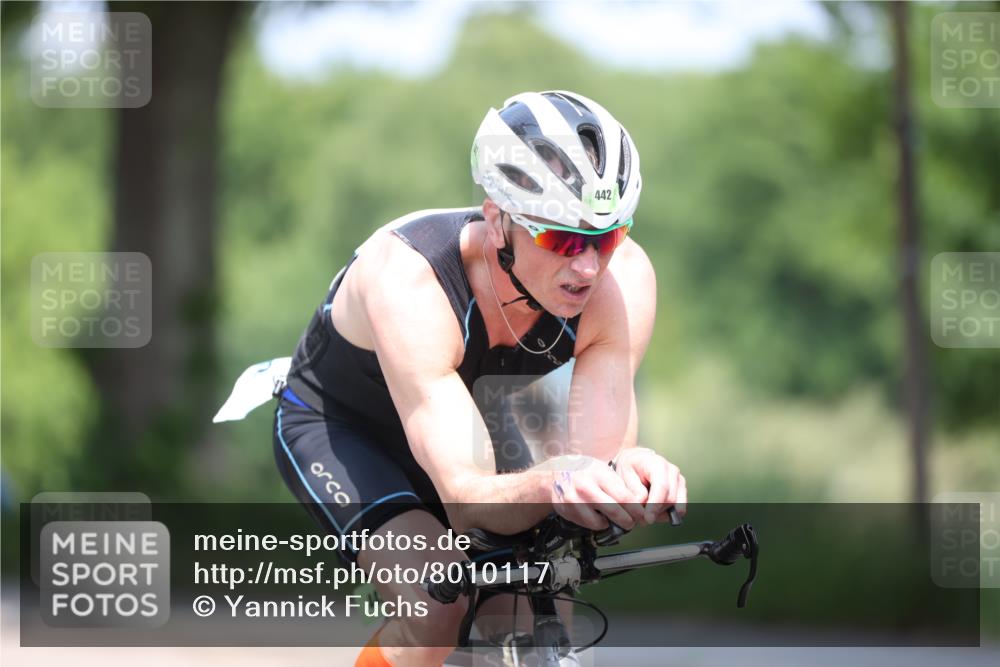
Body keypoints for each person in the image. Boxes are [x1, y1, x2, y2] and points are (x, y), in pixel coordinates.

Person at [272, 90, 687, 667]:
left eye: (607, 237)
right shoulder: (410, 279)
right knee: (435, 604)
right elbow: (466, 499)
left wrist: (627, 474)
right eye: (564, 238)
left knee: (536, 604)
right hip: (347, 429)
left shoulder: (624, 283)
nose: (588, 266)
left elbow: (593, 468)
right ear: (497, 221)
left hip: (482, 418)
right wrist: (558, 481)